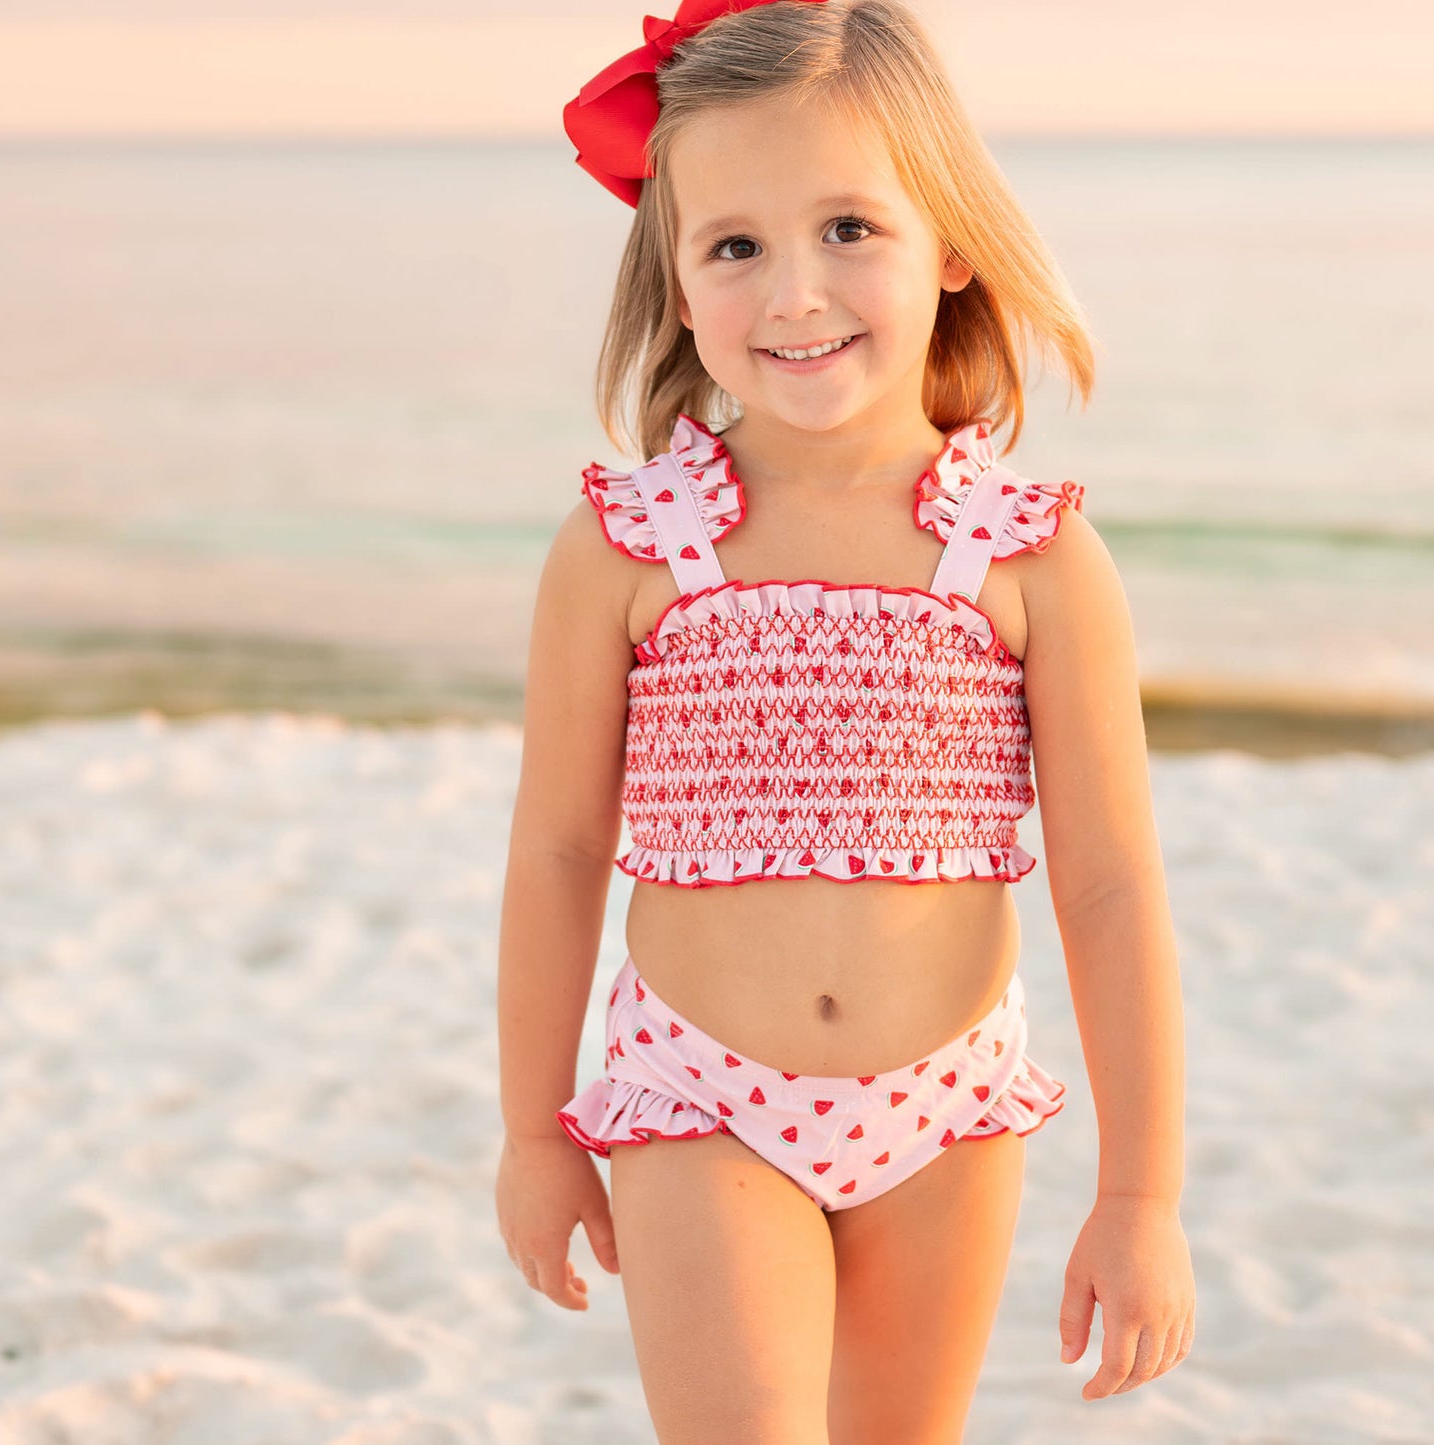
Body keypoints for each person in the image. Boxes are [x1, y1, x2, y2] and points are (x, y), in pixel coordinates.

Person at [496, 0, 1195, 1438]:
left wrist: (1140, 1197)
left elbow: (1112, 885)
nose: (795, 294)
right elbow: (559, 850)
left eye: (849, 229)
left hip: (944, 1105)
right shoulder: (631, 545)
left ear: (951, 242)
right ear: (677, 280)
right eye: (734, 247)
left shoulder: (1029, 556)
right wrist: (532, 1130)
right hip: (699, 1092)